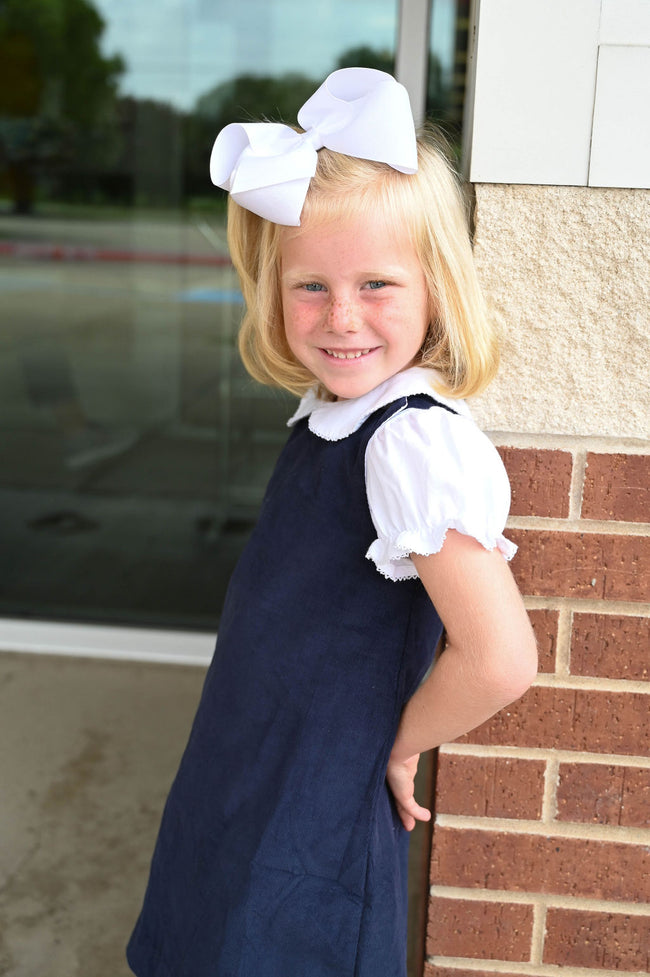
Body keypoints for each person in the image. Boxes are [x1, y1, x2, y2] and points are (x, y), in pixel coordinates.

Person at [126, 67, 537, 977]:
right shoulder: (333, 411)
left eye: (379, 284)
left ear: (438, 288)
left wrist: (396, 742)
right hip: (249, 757)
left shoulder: (412, 443)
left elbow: (501, 657)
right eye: (311, 286)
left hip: (313, 804)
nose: (341, 317)